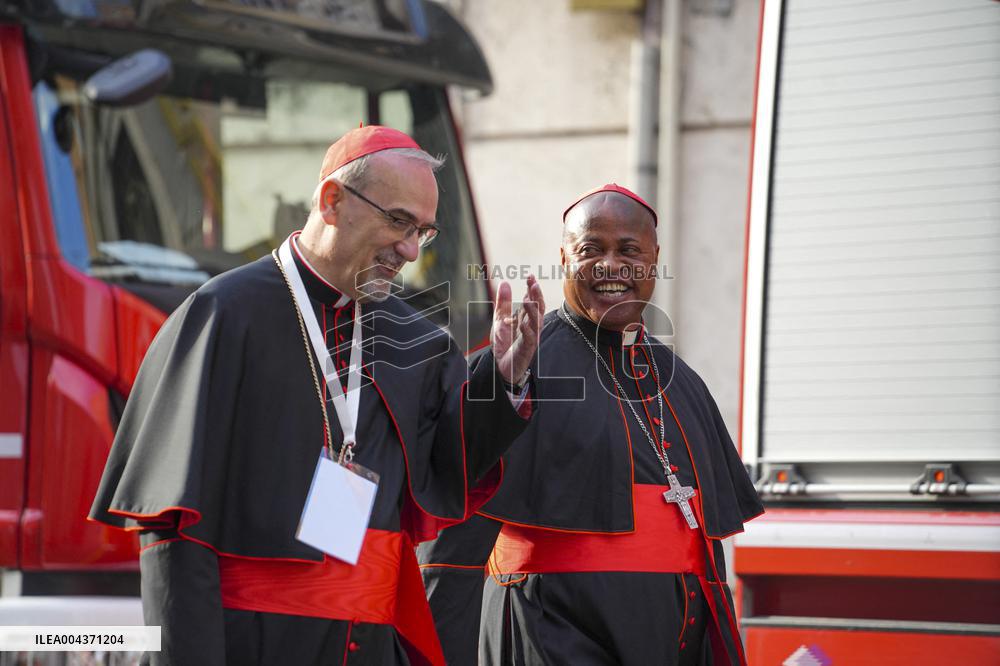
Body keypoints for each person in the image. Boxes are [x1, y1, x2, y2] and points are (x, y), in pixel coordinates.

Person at [89, 125, 544, 666]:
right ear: (332, 201)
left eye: (423, 232)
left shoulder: (417, 340)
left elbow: (449, 466)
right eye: (398, 221)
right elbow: (173, 536)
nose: (409, 249)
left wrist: (503, 381)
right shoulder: (224, 315)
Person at [418, 184, 763, 665]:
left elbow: (703, 552)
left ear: (654, 259)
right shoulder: (517, 368)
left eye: (629, 251)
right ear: (564, 258)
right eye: (591, 250)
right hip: (552, 636)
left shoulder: (683, 382)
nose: (610, 266)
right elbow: (449, 548)